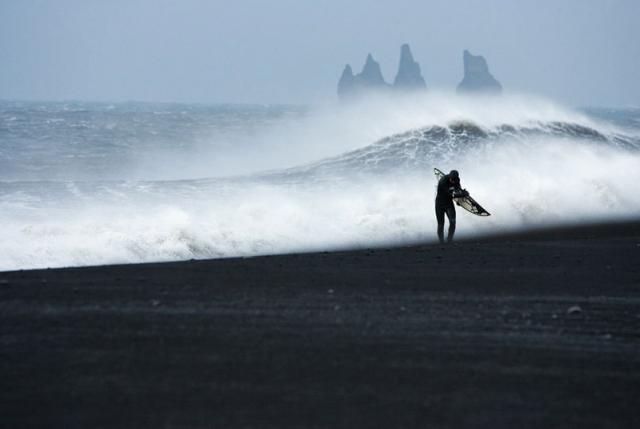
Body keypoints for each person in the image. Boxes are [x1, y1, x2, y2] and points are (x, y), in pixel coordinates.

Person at [435, 170, 468, 244]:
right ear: (449, 177)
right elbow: (450, 194)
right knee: (441, 224)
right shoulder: (443, 181)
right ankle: (441, 242)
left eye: (454, 180)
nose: (453, 181)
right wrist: (462, 195)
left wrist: (460, 200)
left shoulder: (457, 180)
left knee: (453, 222)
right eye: (452, 180)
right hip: (439, 204)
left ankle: (449, 240)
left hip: (449, 204)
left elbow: (457, 190)